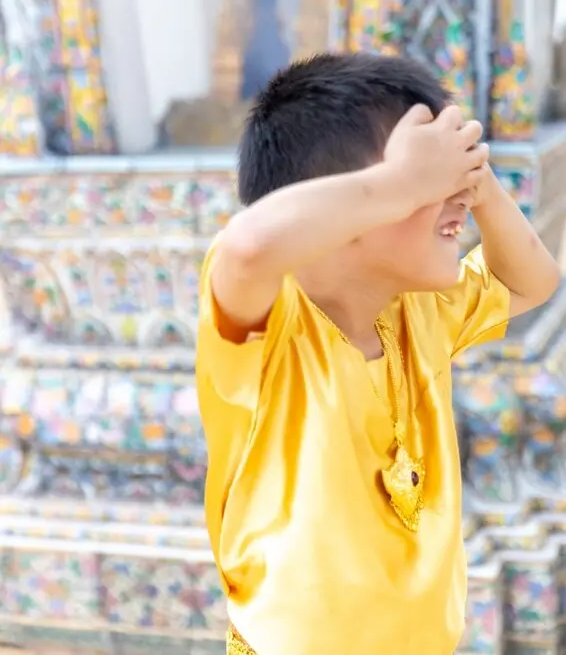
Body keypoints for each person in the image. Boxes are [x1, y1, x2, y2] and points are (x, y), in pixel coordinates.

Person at [196, 53, 560, 655]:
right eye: (429, 174)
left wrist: (478, 180)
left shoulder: (420, 312)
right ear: (346, 205)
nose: (455, 198)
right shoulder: (275, 328)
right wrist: (402, 186)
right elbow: (249, 246)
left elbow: (532, 281)